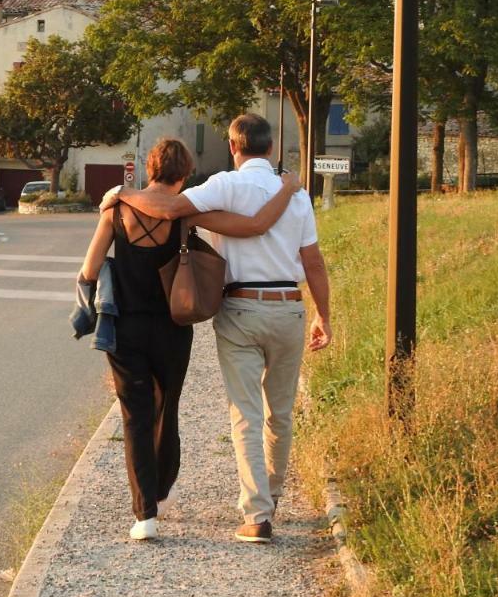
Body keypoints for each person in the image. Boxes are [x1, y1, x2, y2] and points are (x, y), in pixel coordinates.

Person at [107, 114, 331, 543]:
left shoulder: (223, 187)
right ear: (270, 149)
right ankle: (272, 495)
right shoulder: (298, 197)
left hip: (241, 308)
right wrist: (325, 315)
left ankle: (258, 515)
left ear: (233, 146)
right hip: (289, 308)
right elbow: (314, 261)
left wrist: (120, 194)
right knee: (279, 414)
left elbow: (170, 207)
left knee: (246, 415)